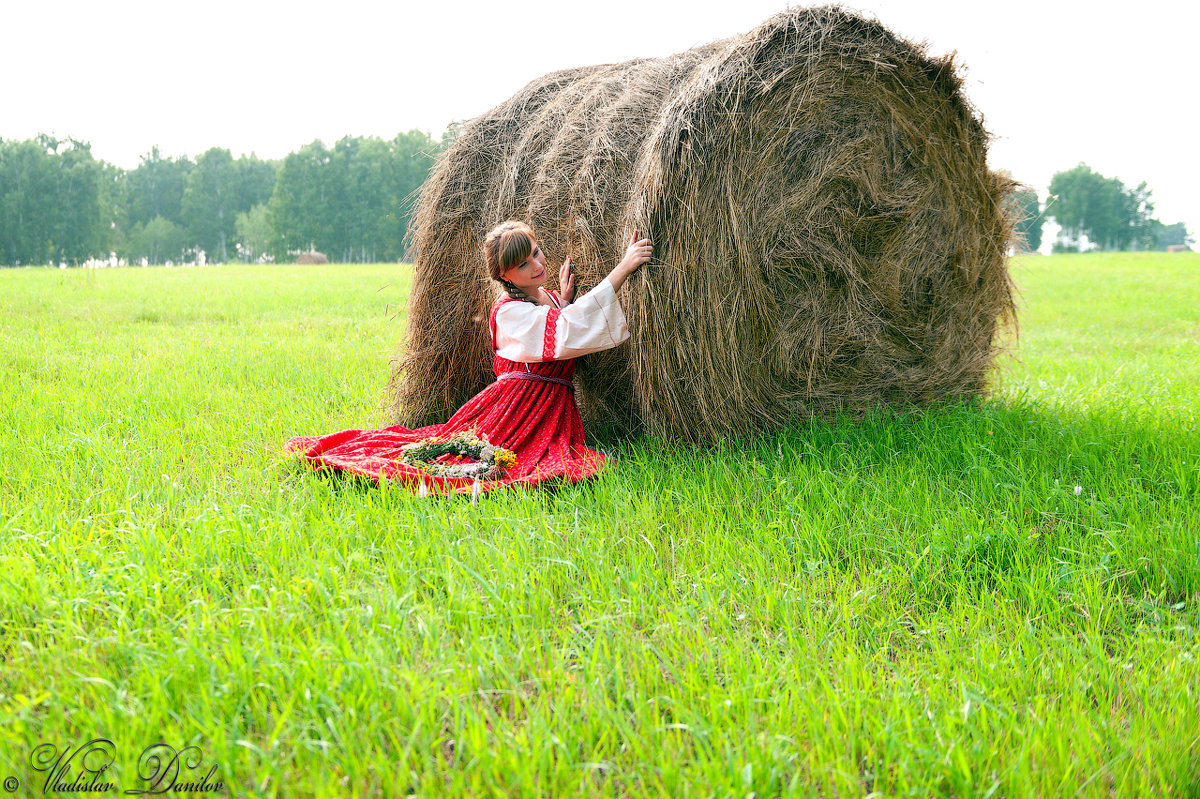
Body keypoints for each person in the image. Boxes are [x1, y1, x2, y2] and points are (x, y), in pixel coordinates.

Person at [284, 220, 653, 495]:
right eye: (523, 265)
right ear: (504, 275)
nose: (536, 265)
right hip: (520, 407)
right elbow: (564, 331)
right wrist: (624, 267)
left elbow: (563, 322)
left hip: (552, 406)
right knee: (483, 463)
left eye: (536, 253)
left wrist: (565, 299)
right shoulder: (509, 311)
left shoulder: (545, 300)